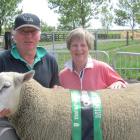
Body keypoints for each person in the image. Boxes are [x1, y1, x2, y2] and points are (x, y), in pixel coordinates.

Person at [0, 13, 59, 139]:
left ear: (39, 35)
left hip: (43, 122)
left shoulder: (50, 60)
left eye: (33, 31)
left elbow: (56, 89)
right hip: (8, 121)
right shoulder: (2, 60)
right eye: (23, 31)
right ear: (14, 35)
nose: (28, 36)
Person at [59, 27, 127, 90]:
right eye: (74, 45)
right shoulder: (62, 75)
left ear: (89, 47)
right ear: (69, 48)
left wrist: (118, 83)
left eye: (83, 45)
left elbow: (121, 82)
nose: (79, 49)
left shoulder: (102, 68)